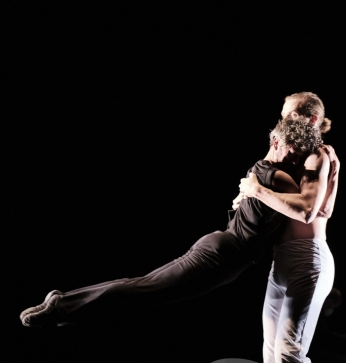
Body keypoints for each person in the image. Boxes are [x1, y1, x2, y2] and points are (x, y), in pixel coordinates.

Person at [20, 117, 323, 329]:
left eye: (299, 159)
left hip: (222, 251)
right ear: (274, 141)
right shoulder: (275, 175)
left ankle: (64, 306)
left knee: (144, 288)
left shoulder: (261, 169)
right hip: (223, 255)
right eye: (292, 155)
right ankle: (61, 306)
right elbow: (307, 209)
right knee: (144, 290)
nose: (294, 163)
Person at [238, 92, 340, 363]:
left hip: (308, 260)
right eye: (281, 115)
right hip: (281, 263)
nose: (282, 121)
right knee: (270, 358)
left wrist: (258, 191)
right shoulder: (291, 157)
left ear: (311, 120)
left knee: (288, 352)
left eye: (291, 115)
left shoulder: (320, 156)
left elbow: (305, 208)